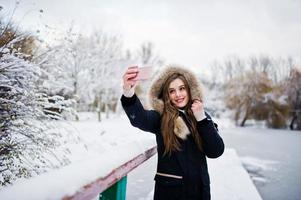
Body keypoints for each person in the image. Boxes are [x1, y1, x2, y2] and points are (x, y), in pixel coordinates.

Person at [121, 65, 225, 200]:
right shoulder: (161, 117)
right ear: (166, 95)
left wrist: (201, 119)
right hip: (171, 193)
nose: (178, 95)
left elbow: (215, 151)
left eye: (182, 89)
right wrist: (128, 91)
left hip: (200, 192)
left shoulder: (202, 117)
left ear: (190, 90)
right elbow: (139, 119)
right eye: (172, 91)